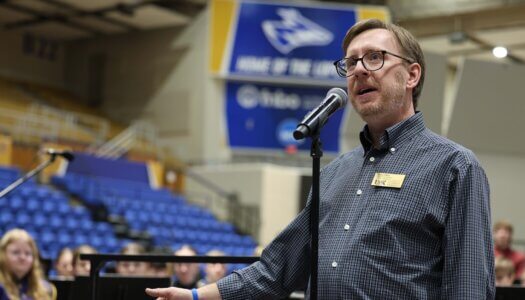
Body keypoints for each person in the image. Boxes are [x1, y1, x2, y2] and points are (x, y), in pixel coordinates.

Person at [146, 18, 494, 299]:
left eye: (375, 57)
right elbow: (277, 268)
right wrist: (195, 297)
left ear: (412, 75)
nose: (358, 70)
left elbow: (468, 287)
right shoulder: (333, 172)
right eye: (351, 62)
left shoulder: (454, 166)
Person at [0, 228, 56, 300]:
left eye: (28, 253)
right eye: (16, 252)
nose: (22, 257)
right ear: (2, 256)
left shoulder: (45, 288)